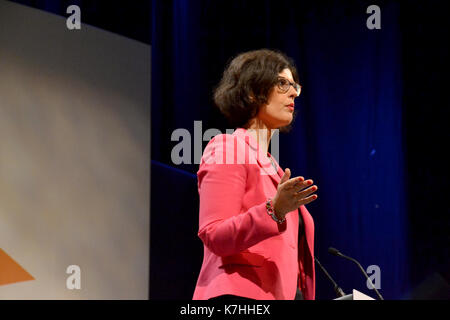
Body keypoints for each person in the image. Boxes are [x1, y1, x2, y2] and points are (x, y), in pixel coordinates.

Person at [193, 49, 318, 300]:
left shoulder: (275, 169)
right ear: (252, 92)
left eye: (295, 86)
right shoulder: (228, 147)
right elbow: (214, 234)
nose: (294, 92)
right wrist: (274, 210)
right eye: (283, 84)